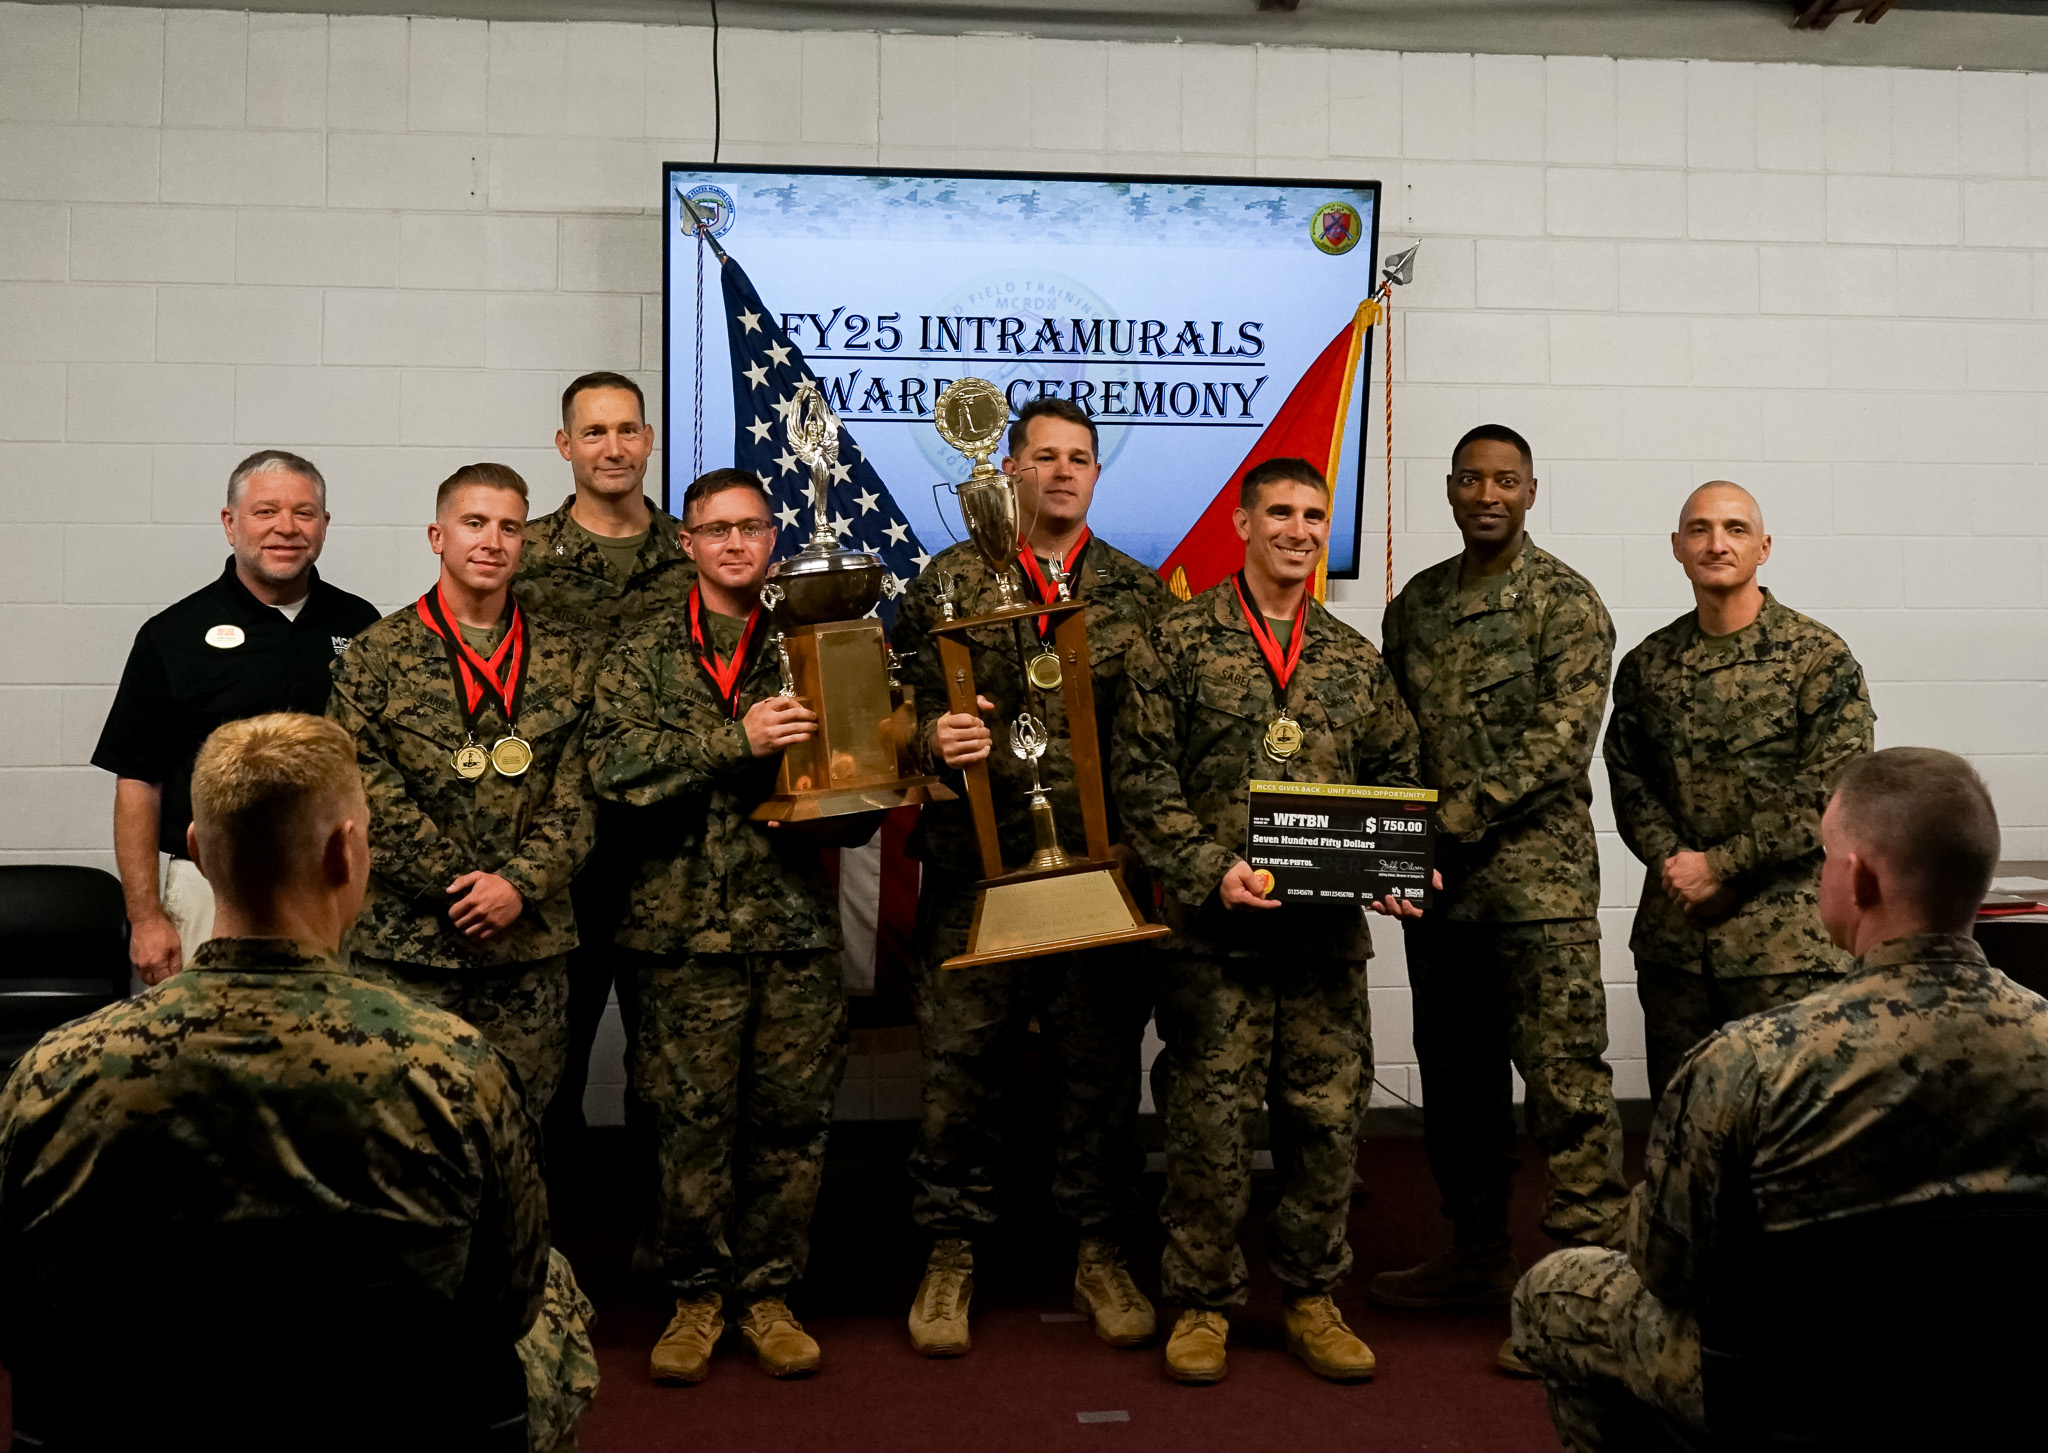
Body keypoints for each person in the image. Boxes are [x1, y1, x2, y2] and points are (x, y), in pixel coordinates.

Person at [0, 713, 596, 1452]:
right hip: (389, 1419)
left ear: (197, 851)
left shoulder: (53, 1072)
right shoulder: (453, 1068)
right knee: (557, 1288)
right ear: (346, 851)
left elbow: (18, 1306)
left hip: (126, 1421)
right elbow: (506, 1304)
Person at [1512, 748, 2048, 1451]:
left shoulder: (1753, 1061)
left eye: (1827, 854)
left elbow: (1666, 1267)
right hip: (2001, 1375)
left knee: (1554, 1293)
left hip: (1796, 1388)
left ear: (1857, 879)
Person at [1115, 456, 1427, 1385]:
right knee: (1210, 1123)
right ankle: (1203, 1300)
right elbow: (1142, 778)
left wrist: (1390, 863)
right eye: (1281, 512)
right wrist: (1211, 869)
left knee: (1326, 1119)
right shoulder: (1175, 643)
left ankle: (1309, 1294)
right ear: (1244, 524)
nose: (1298, 529)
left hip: (1324, 942)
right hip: (1218, 939)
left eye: (1313, 515)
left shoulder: (1351, 657)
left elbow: (1396, 766)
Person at [891, 396, 1178, 1357]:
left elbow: (1164, 738)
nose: (1061, 472)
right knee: (958, 1070)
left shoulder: (1139, 592)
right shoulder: (948, 581)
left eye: (1080, 458)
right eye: (1043, 456)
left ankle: (1099, 1245)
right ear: (1007, 469)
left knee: (1097, 1069)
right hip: (977, 872)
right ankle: (949, 1251)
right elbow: (891, 712)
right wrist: (932, 733)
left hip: (1101, 874)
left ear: (1098, 474)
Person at [586, 467, 864, 1385]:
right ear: (687, 543)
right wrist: (733, 742)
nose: (736, 544)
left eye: (751, 528)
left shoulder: (819, 642)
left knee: (791, 1120)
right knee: (686, 1126)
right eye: (717, 530)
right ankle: (697, 1295)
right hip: (678, 934)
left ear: (772, 539)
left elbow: (857, 803)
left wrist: (864, 766)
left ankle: (770, 1294)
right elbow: (615, 773)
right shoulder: (637, 650)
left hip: (790, 929)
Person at [1369, 425, 1628, 1358]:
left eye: (1506, 479)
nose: (1489, 492)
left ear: (1530, 491)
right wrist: (1375, 843)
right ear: (1449, 489)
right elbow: (1390, 739)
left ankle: (1590, 1299)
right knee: (1458, 1084)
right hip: (1440, 893)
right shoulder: (1418, 605)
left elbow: (1557, 748)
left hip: (1537, 891)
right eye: (1472, 478)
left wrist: (1440, 821)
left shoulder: (1567, 604)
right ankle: (1475, 1250)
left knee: (1565, 1085)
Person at [327, 463, 596, 1115]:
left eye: (509, 527)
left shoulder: (571, 658)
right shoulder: (374, 654)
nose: (492, 541)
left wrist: (516, 884)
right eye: (474, 523)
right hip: (407, 948)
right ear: (436, 535)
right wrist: (462, 887)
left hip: (526, 948)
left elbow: (583, 793)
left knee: (518, 1135)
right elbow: (359, 788)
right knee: (404, 1133)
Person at [1603, 481, 1874, 1095]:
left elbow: (1833, 792)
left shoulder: (1817, 658)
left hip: (1787, 954)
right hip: (1678, 946)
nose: (1716, 543)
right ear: (1677, 546)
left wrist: (1722, 868)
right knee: (1683, 1135)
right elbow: (1628, 778)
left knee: (1790, 1140)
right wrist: (1678, 867)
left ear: (1764, 547)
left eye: (1735, 529)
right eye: (1699, 529)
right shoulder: (1648, 665)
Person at [92, 449, 379, 986]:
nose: (286, 528)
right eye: (265, 511)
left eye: (305, 512)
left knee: (325, 1051)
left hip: (329, 881)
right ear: (230, 524)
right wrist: (147, 917)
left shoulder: (362, 625)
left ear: (324, 525)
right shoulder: (171, 636)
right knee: (201, 1056)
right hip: (207, 885)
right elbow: (136, 781)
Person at [513, 371, 695, 1144]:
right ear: (565, 446)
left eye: (627, 430)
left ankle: (661, 1247)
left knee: (672, 1062)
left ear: (650, 441)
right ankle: (549, 1244)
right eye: (594, 432)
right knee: (553, 1056)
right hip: (563, 847)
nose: (613, 448)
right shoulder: (522, 558)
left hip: (673, 841)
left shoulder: (695, 553)